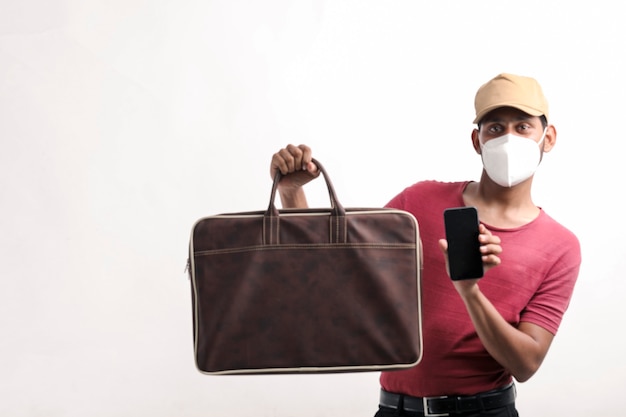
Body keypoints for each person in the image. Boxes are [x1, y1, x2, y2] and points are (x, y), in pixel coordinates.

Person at [269, 73, 581, 417]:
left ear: (547, 137)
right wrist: (291, 192)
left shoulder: (560, 246)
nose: (508, 139)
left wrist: (470, 291)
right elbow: (332, 271)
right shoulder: (418, 202)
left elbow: (525, 364)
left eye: (523, 127)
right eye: (495, 128)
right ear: (477, 141)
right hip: (396, 409)